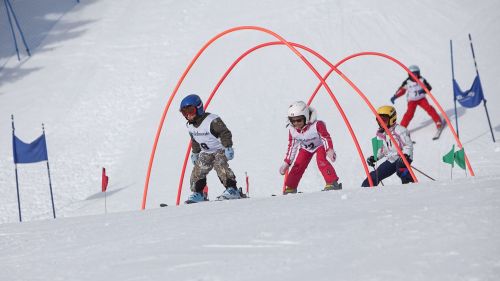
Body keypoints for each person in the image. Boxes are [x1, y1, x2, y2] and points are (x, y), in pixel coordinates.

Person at [179, 94, 240, 203]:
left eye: (191, 111)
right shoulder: (190, 125)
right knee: (198, 169)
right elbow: (194, 139)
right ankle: (199, 193)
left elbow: (224, 133)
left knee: (220, 164)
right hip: (207, 152)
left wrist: (228, 147)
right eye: (185, 113)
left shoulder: (212, 121)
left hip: (219, 150)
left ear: (199, 108)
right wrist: (195, 152)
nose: (188, 115)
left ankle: (232, 189)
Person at [279, 101, 341, 194]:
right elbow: (292, 146)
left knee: (321, 161)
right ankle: (291, 187)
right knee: (298, 165)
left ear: (306, 117)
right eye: (293, 121)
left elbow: (325, 137)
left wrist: (329, 150)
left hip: (320, 145)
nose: (296, 123)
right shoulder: (293, 130)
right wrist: (287, 162)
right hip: (306, 148)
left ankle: (332, 182)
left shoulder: (317, 125)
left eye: (299, 120)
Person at [361, 105, 414, 187]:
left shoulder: (400, 130)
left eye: (384, 120)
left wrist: (406, 155)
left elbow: (408, 145)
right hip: (391, 159)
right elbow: (382, 150)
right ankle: (366, 188)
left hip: (403, 157)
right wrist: (375, 157)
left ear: (392, 119)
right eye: (379, 120)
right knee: (375, 175)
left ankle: (410, 185)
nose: (381, 123)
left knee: (401, 168)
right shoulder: (380, 134)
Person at [390, 65, 442, 131]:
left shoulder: (421, 79)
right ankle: (402, 128)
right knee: (409, 114)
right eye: (413, 74)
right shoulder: (407, 82)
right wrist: (395, 96)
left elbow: (429, 87)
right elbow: (402, 90)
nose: (415, 76)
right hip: (412, 100)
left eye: (416, 74)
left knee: (429, 108)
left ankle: (438, 121)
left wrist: (423, 90)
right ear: (409, 75)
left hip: (421, 99)